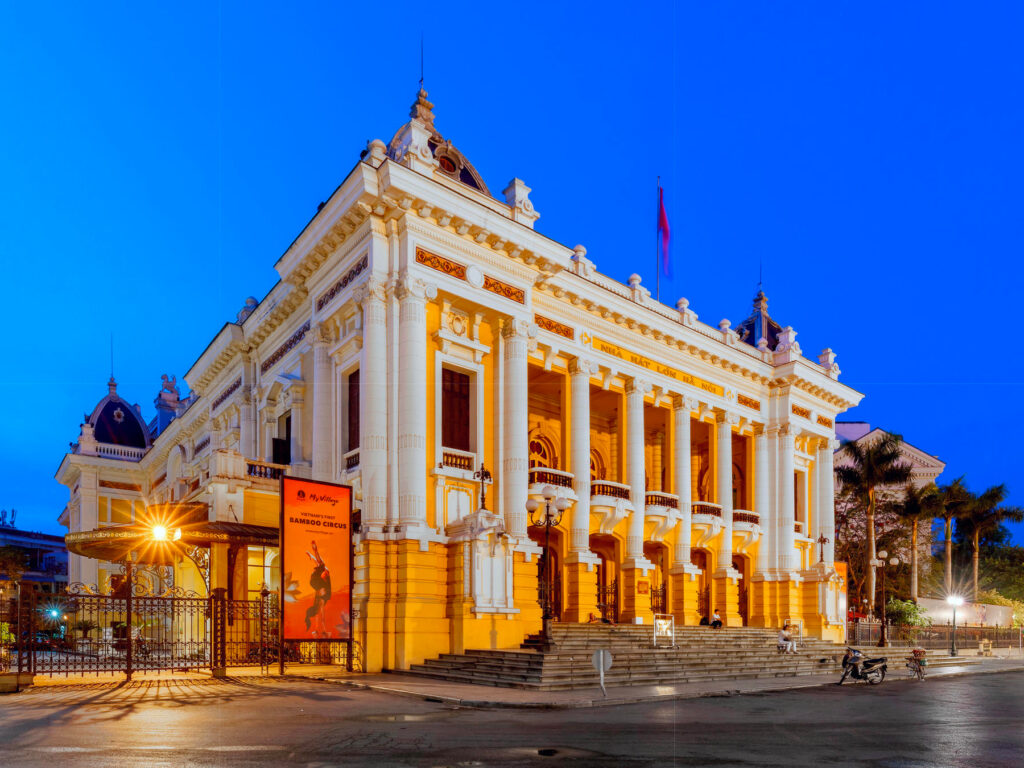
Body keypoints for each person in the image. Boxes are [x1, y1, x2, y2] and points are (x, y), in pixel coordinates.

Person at [304, 540, 332, 636]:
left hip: (322, 592)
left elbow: (318, 559)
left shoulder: (324, 569)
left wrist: (314, 550)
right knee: (317, 610)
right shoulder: (321, 568)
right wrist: (311, 554)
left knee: (320, 611)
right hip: (319, 590)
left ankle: (323, 630)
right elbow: (316, 560)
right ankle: (317, 629)